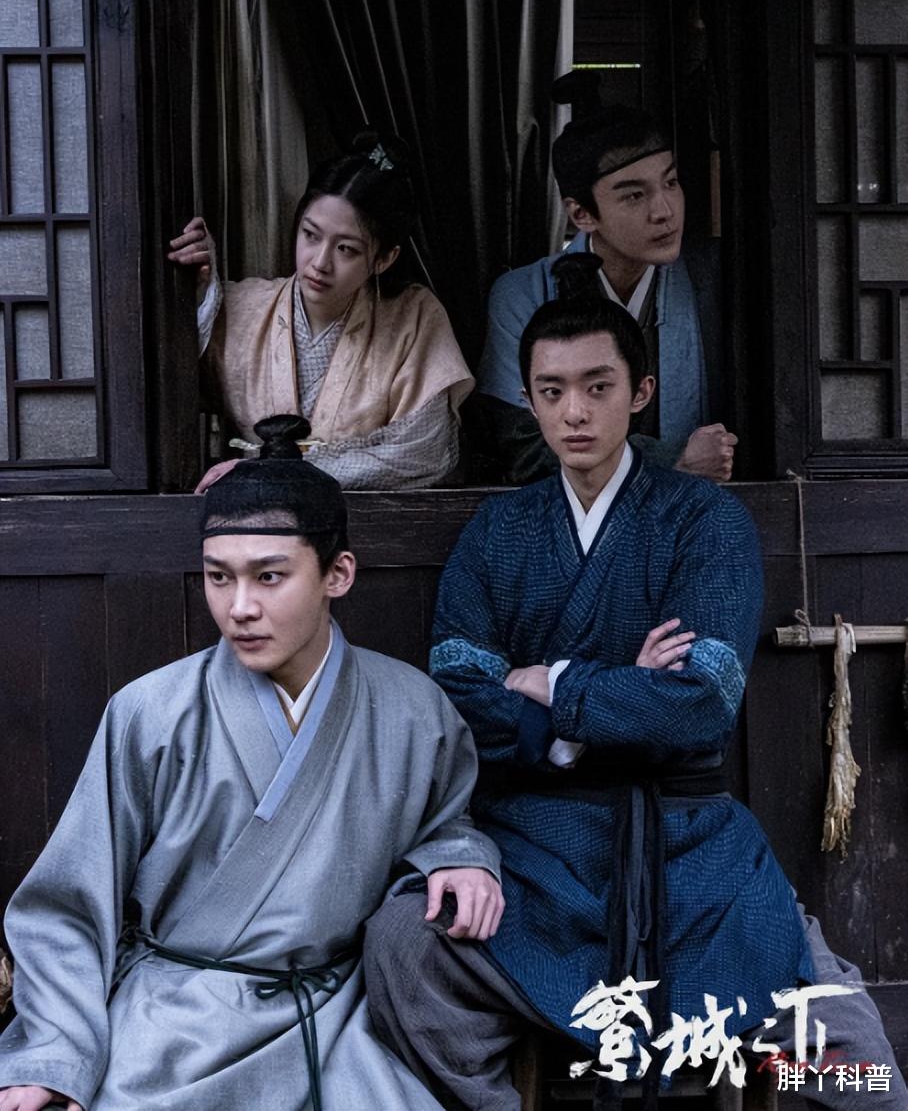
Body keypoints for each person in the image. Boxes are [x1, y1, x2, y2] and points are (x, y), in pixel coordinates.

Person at [364, 256, 906, 1110]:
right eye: (551, 392)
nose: (574, 412)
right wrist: (609, 703)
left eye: (598, 386)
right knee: (405, 943)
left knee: (855, 1063)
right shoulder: (498, 532)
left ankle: (745, 1063)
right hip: (533, 843)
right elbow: (460, 698)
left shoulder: (705, 522)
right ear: (528, 399)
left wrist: (554, 682)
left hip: (690, 842)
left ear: (641, 392)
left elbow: (702, 704)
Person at [0, 415, 503, 1111]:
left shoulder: (414, 709)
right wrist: (52, 1057)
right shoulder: (151, 712)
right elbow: (68, 907)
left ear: (337, 574)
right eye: (219, 577)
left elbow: (445, 820)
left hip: (336, 1015)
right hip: (178, 1016)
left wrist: (459, 856)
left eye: (269, 577)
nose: (239, 608)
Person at [168, 131, 474, 489]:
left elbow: (425, 453)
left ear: (385, 258)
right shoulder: (242, 308)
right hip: (255, 511)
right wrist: (197, 285)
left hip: (368, 514)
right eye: (311, 235)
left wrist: (282, 471)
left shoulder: (414, 318)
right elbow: (173, 378)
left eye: (346, 249)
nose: (320, 263)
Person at [476, 92, 737, 485]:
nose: (664, 211)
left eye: (670, 182)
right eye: (634, 195)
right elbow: (523, 445)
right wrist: (672, 459)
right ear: (582, 214)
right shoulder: (523, 295)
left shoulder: (713, 285)